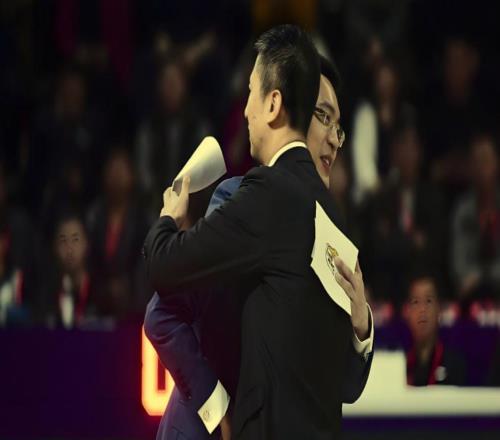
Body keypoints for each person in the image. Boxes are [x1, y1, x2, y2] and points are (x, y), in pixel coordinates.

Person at [143, 25, 373, 439]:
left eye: (339, 127)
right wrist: (218, 409)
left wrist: (360, 329)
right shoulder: (242, 196)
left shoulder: (332, 230)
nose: (334, 140)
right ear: (290, 107)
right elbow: (162, 311)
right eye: (323, 116)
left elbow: (343, 386)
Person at [404, 275, 467, 386]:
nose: (422, 309)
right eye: (416, 301)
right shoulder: (400, 366)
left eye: (428, 301)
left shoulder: (454, 365)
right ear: (407, 312)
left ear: (439, 310)